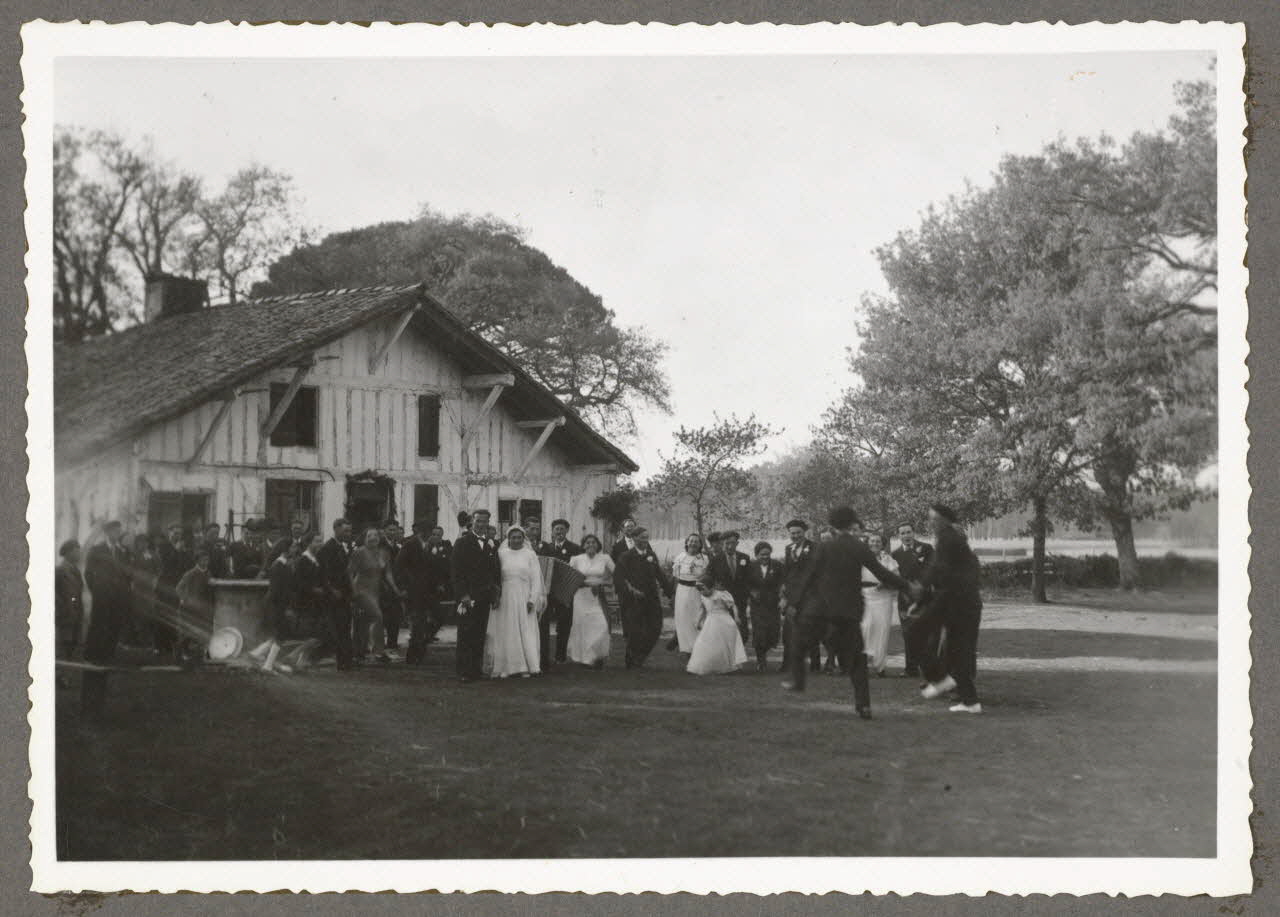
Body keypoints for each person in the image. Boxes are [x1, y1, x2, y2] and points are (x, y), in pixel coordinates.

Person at [785, 506, 919, 719]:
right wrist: (907, 586)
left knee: (799, 641)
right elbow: (882, 572)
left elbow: (808, 577)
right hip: (849, 610)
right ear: (850, 524)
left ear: (833, 525)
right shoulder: (858, 547)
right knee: (857, 659)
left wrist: (794, 603)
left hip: (822, 608)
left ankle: (798, 680)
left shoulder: (824, 547)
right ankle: (863, 705)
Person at [912, 504, 984, 713]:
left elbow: (937, 568)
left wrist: (921, 586)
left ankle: (940, 680)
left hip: (957, 604)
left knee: (916, 631)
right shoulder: (955, 543)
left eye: (934, 519)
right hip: (962, 604)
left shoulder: (948, 538)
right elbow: (943, 571)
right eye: (930, 519)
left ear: (945, 519)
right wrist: (923, 597)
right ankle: (971, 702)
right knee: (957, 652)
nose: (931, 523)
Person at [80, 521, 133, 718]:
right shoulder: (97, 550)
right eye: (113, 530)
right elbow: (89, 574)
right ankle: (88, 704)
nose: (116, 533)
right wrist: (101, 592)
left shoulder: (123, 552)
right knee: (96, 650)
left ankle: (99, 704)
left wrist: (122, 595)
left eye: (119, 530)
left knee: (109, 649)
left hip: (117, 607)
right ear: (106, 532)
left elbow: (128, 576)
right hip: (103, 604)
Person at [485, 526, 546, 678]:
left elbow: (536, 579)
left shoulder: (530, 555)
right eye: (513, 537)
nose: (516, 540)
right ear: (508, 539)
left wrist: (532, 599)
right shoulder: (501, 554)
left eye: (519, 537)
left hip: (524, 596)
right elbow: (495, 576)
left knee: (525, 630)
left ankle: (526, 666)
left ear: (523, 539)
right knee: (507, 630)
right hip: (506, 596)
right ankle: (507, 666)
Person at [451, 509, 501, 682]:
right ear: (472, 522)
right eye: (478, 521)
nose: (481, 525)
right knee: (466, 633)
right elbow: (457, 572)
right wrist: (463, 594)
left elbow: (494, 571)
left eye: (485, 521)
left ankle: (475, 668)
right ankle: (464, 671)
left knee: (480, 633)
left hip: (484, 596)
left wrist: (495, 592)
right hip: (468, 596)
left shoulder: (491, 543)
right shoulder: (462, 542)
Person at [612, 527, 673, 669]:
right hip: (633, 600)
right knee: (635, 631)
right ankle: (632, 660)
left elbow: (661, 576)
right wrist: (631, 591)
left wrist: (671, 594)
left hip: (652, 599)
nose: (645, 540)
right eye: (642, 537)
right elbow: (619, 578)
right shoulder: (626, 557)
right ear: (634, 539)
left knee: (655, 628)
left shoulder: (651, 555)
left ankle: (640, 656)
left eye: (647, 537)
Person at [892, 521, 937, 679]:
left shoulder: (927, 548)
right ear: (899, 536)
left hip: (925, 598)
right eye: (902, 533)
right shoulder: (895, 554)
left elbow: (932, 570)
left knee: (928, 634)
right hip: (905, 599)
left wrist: (922, 588)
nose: (906, 536)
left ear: (914, 533)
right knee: (908, 634)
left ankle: (930, 669)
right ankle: (910, 668)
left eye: (908, 532)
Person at [349, 528, 400, 665]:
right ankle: (379, 652)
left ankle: (358, 652)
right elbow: (350, 572)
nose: (373, 537)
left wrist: (395, 589)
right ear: (365, 538)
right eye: (369, 535)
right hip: (361, 589)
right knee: (377, 616)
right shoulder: (359, 552)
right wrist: (352, 592)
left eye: (376, 535)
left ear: (380, 537)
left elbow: (388, 573)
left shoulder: (384, 553)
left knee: (363, 621)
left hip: (375, 590)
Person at [686, 572, 749, 675]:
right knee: (704, 643)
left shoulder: (721, 594)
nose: (702, 592)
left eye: (703, 589)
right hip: (711, 621)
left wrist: (737, 617)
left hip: (725, 621)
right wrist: (698, 620)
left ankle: (727, 666)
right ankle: (704, 665)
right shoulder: (703, 597)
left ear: (711, 587)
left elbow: (733, 605)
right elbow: (703, 610)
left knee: (725, 644)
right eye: (699, 590)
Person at [566, 534, 613, 668]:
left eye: (593, 542)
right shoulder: (576, 559)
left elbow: (616, 573)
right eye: (587, 542)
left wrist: (604, 582)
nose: (590, 545)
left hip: (597, 595)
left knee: (601, 624)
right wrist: (582, 584)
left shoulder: (605, 558)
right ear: (583, 545)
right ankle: (585, 658)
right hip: (581, 596)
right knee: (582, 626)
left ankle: (597, 655)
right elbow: (569, 578)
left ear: (598, 545)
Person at [780, 520, 820, 675]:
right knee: (789, 630)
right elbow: (788, 573)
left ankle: (815, 665)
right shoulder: (788, 548)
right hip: (792, 596)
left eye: (798, 533)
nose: (795, 536)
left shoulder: (814, 548)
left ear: (805, 532)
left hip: (809, 596)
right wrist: (784, 593)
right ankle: (788, 664)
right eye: (792, 533)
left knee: (811, 630)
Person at [395, 521, 437, 664]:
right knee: (418, 623)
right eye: (424, 530)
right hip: (413, 590)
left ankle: (421, 647)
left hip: (427, 591)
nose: (427, 532)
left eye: (430, 529)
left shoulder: (431, 544)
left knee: (435, 618)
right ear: (418, 530)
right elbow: (399, 567)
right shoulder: (410, 544)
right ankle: (413, 655)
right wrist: (404, 588)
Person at [317, 518, 356, 670]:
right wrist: (332, 590)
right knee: (338, 628)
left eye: (350, 531)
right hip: (334, 595)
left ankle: (346, 660)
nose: (348, 533)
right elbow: (323, 573)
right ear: (336, 529)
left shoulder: (341, 547)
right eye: (345, 530)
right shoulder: (327, 548)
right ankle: (342, 661)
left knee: (345, 627)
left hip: (343, 594)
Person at [861, 533, 900, 676]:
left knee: (882, 631)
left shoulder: (888, 560)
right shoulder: (862, 559)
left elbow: (896, 578)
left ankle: (880, 666)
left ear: (882, 544)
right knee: (865, 628)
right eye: (872, 541)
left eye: (878, 541)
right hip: (865, 597)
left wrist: (885, 583)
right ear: (868, 543)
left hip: (884, 598)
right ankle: (863, 661)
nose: (875, 543)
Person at [546, 518, 582, 663]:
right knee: (544, 623)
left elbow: (578, 570)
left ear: (567, 531)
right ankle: (544, 655)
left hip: (566, 591)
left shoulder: (575, 548)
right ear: (552, 531)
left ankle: (560, 655)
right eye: (556, 529)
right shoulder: (546, 547)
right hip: (549, 590)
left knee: (564, 623)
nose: (559, 532)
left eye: (562, 529)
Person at [745, 541, 784, 673]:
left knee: (773, 634)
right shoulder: (751, 566)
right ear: (757, 555)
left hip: (773, 605)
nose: (765, 557)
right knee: (759, 633)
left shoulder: (777, 565)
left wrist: (782, 595)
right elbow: (746, 583)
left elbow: (783, 582)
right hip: (758, 605)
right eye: (762, 554)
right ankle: (761, 661)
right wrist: (751, 591)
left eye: (767, 554)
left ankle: (765, 651)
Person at [670, 533, 709, 661]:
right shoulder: (680, 557)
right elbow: (675, 577)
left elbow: (708, 577)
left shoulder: (704, 559)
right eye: (691, 541)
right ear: (687, 543)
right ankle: (687, 651)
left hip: (697, 592)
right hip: (682, 591)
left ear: (700, 545)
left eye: (696, 542)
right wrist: (674, 595)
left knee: (697, 619)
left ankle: (698, 649)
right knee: (683, 620)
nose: (693, 543)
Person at [155, 524, 192, 659]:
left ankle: (171, 645)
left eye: (179, 533)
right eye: (175, 533)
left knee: (174, 616)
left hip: (177, 587)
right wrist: (176, 551)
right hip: (165, 586)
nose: (177, 536)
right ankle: (159, 646)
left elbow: (185, 566)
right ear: (169, 533)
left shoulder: (181, 548)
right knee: (163, 615)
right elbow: (166, 564)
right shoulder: (163, 546)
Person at [709, 531, 752, 647]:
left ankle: (738, 653)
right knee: (724, 631)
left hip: (740, 601)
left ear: (737, 543)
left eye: (732, 543)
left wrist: (748, 596)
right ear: (722, 543)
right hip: (723, 601)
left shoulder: (744, 558)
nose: (729, 546)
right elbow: (709, 578)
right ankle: (727, 656)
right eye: (726, 543)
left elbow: (750, 578)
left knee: (743, 633)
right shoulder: (715, 560)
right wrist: (711, 591)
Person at [55, 539, 84, 685]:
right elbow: (55, 594)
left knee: (72, 646)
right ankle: (61, 676)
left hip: (76, 614)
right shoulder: (60, 570)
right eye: (76, 551)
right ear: (68, 553)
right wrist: (62, 609)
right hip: (66, 615)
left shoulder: (75, 569)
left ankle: (65, 676)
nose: (79, 553)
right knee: (64, 646)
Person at [127, 533, 162, 648]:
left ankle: (149, 642)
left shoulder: (154, 555)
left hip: (149, 589)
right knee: (137, 614)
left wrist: (155, 581)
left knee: (150, 615)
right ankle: (138, 641)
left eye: (145, 542)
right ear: (137, 543)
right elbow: (130, 570)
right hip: (137, 589)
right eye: (140, 542)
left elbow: (159, 569)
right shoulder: (133, 554)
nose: (143, 544)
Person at [292, 532, 328, 641]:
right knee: (308, 629)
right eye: (317, 541)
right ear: (309, 543)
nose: (320, 544)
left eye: (321, 541)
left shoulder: (318, 559)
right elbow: (298, 582)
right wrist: (313, 589)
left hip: (318, 599)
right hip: (305, 600)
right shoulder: (302, 560)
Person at [267, 538, 301, 639]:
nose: (296, 549)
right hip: (279, 608)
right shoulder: (278, 566)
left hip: (282, 608)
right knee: (280, 638)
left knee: (282, 638)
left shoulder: (285, 564)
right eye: (293, 547)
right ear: (286, 549)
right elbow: (276, 592)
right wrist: (285, 609)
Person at [380, 520, 405, 654]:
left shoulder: (397, 547)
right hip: (382, 585)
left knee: (395, 615)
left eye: (394, 530)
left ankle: (392, 642)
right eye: (390, 530)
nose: (392, 532)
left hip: (395, 584)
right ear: (384, 531)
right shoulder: (380, 546)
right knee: (383, 615)